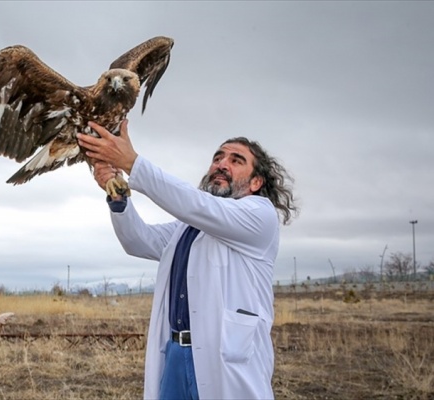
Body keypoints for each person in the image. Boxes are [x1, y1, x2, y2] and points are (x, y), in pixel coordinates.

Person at [77, 119, 298, 400]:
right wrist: (118, 193)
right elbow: (138, 240)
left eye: (236, 160)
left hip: (226, 360)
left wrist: (132, 162)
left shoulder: (259, 214)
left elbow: (197, 204)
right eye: (217, 157)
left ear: (256, 182)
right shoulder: (188, 227)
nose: (221, 164)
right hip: (175, 355)